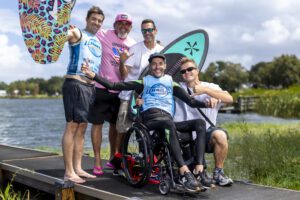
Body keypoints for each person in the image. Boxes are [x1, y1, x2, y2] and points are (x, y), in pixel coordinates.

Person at [82, 53, 210, 192]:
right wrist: (94, 75)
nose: (157, 66)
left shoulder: (171, 83)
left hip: (167, 120)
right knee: (168, 123)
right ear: (150, 67)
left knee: (200, 123)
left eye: (160, 64)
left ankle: (199, 169)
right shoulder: (143, 82)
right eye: (154, 64)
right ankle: (184, 172)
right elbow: (114, 85)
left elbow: (191, 101)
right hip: (151, 120)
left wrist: (206, 104)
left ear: (165, 66)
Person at [88, 13, 136, 175]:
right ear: (115, 25)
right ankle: (96, 161)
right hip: (101, 87)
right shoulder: (103, 34)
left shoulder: (132, 44)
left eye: (127, 24)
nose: (123, 26)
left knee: (115, 126)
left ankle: (112, 159)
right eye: (120, 23)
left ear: (130, 27)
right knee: (97, 125)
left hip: (120, 91)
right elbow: (89, 32)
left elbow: (128, 72)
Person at [174, 57, 234, 186]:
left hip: (206, 135)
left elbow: (229, 99)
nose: (187, 73)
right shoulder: (178, 88)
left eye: (190, 69)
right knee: (191, 178)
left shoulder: (210, 87)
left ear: (197, 70)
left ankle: (218, 173)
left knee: (220, 135)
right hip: (187, 138)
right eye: (183, 71)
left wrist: (207, 92)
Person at [62, 6, 104, 183]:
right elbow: (63, 37)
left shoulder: (98, 40)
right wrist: (64, 30)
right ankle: (68, 171)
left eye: (100, 21)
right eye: (94, 19)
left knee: (82, 128)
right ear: (87, 19)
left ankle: (78, 168)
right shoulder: (77, 33)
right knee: (72, 127)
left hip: (90, 88)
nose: (97, 23)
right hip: (75, 84)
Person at [116, 19, 163, 155]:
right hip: (129, 95)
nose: (147, 33)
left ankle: (147, 160)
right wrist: (122, 62)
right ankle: (118, 160)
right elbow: (124, 76)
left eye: (149, 30)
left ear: (155, 30)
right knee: (123, 130)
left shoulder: (161, 50)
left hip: (150, 98)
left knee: (149, 130)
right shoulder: (135, 49)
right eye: (144, 31)